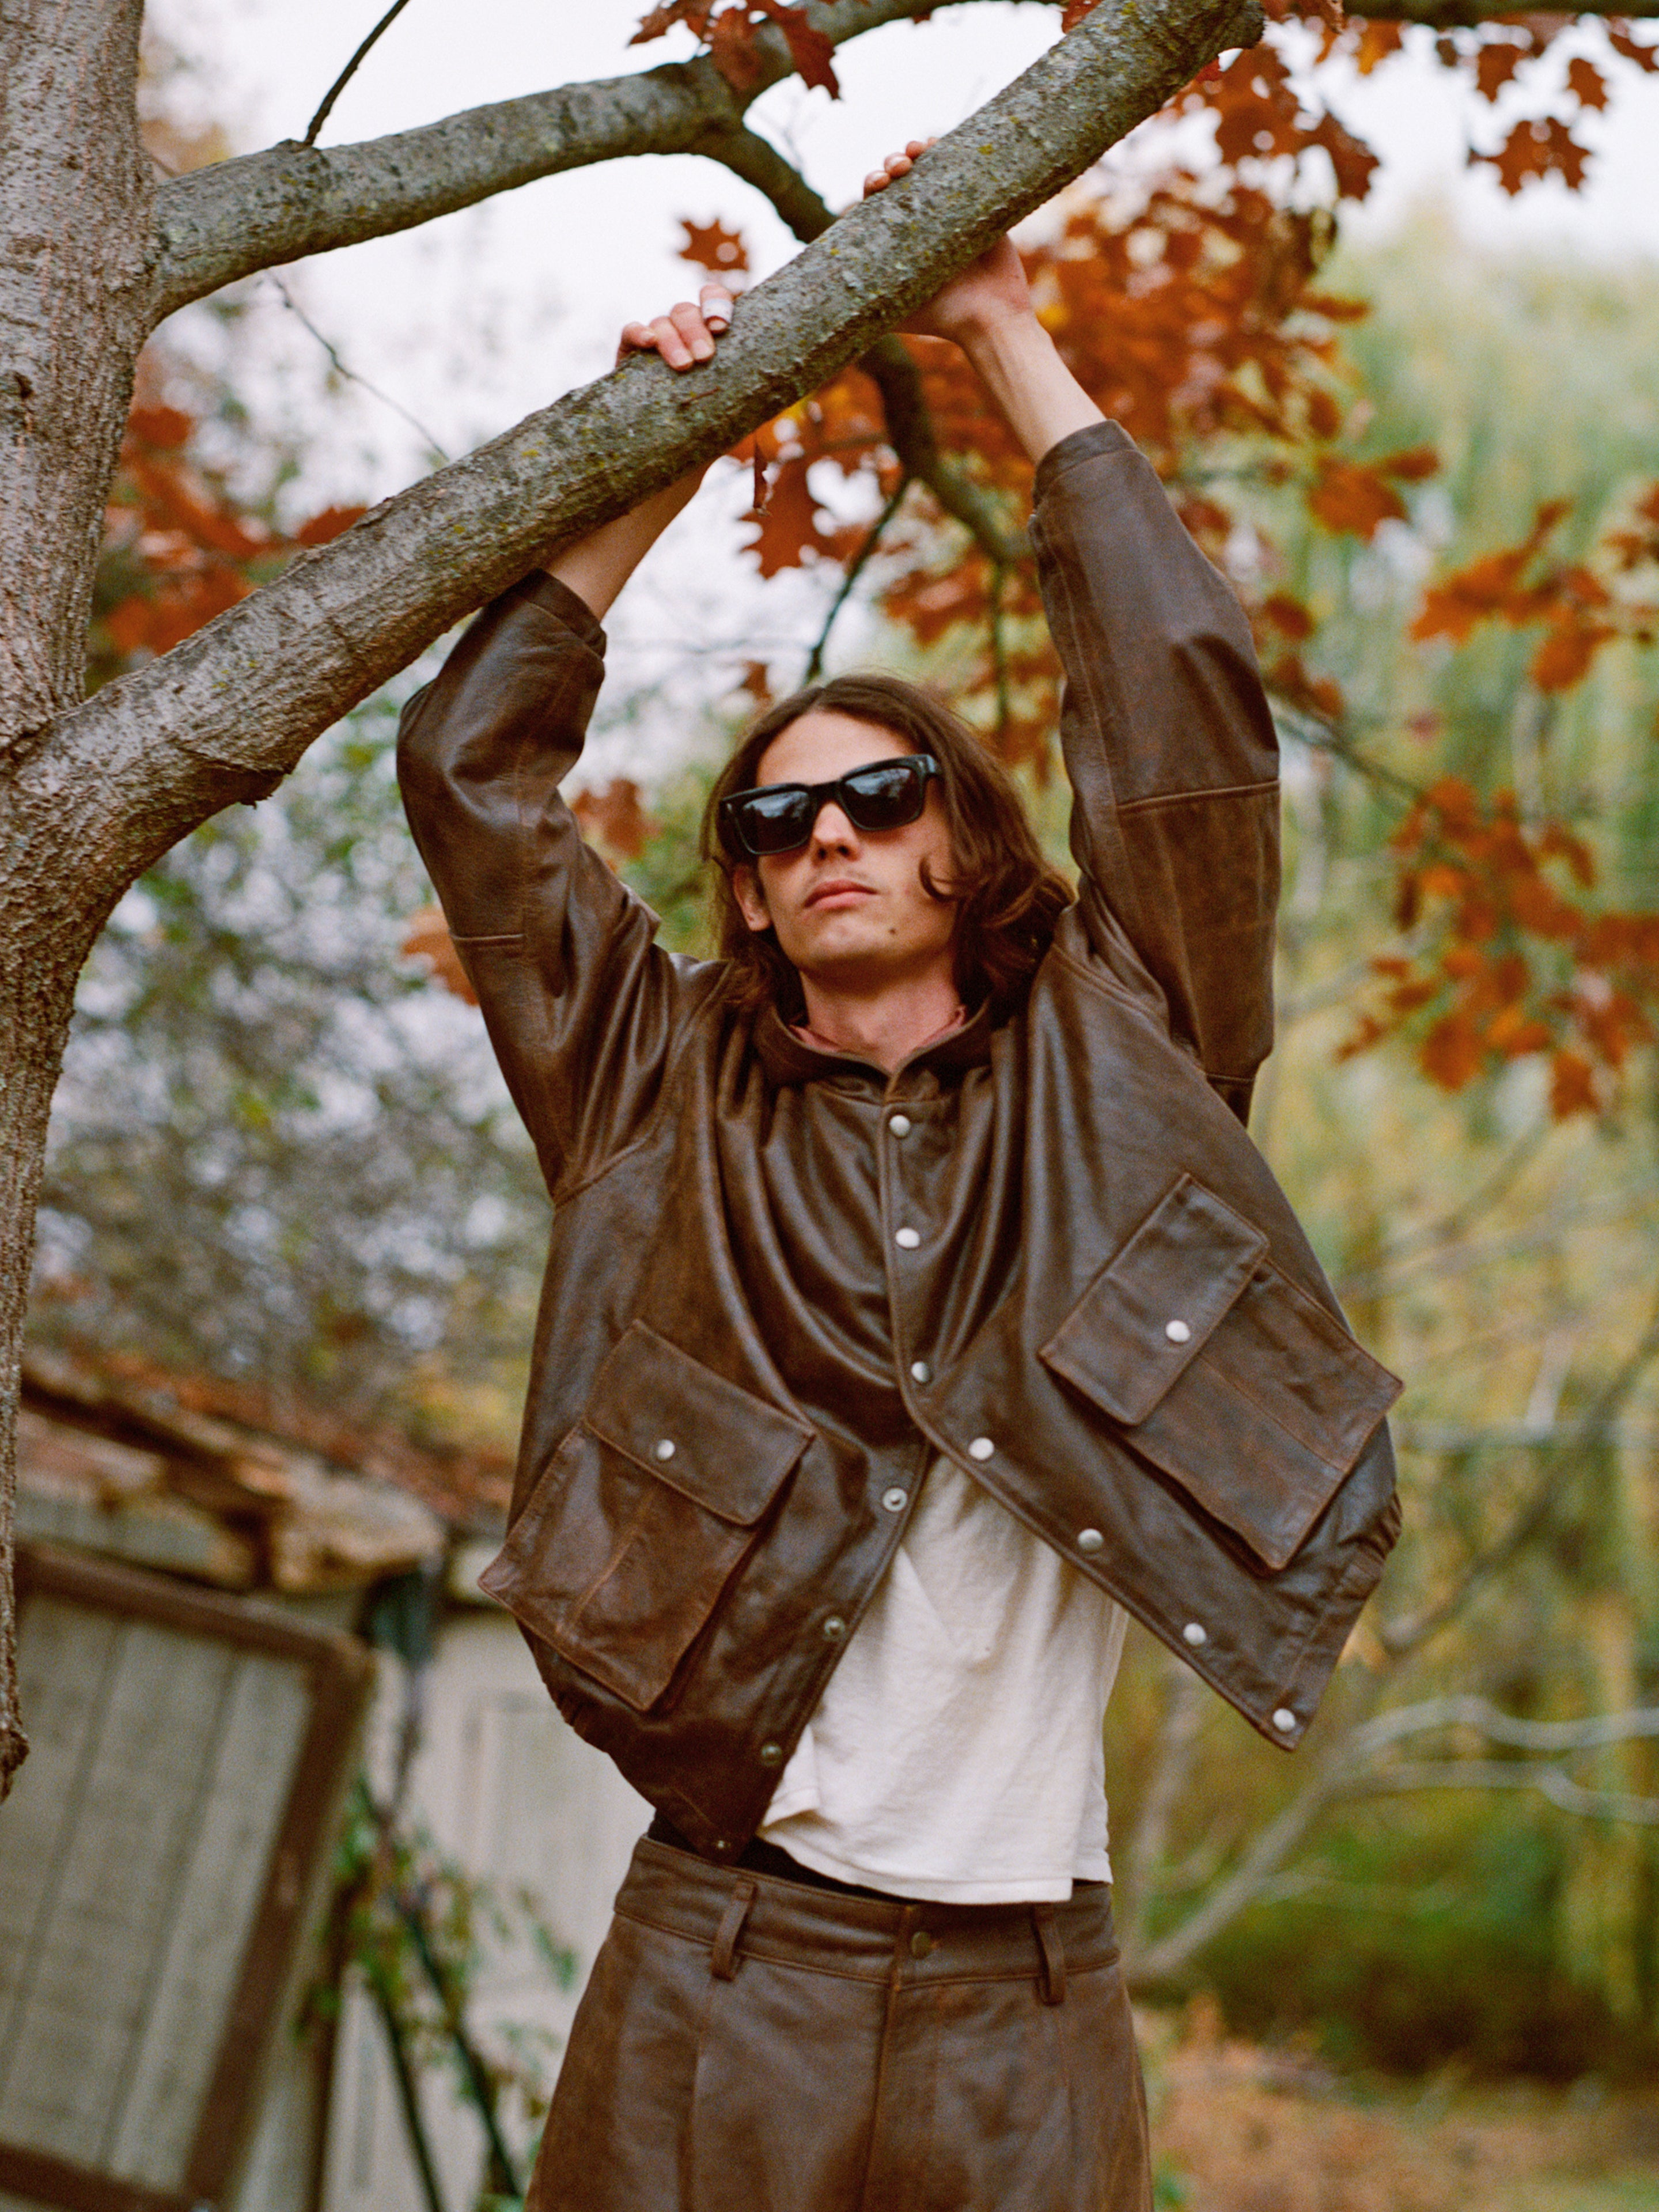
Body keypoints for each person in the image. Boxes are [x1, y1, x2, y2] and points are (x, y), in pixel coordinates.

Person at [398, 142, 1403, 2212]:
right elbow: (471, 782)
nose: (825, 837)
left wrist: (1005, 324)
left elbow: (1188, 721)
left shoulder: (1135, 1061)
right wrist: (663, 448)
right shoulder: (649, 1085)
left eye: (880, 793)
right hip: (723, 1948)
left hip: (1033, 1996)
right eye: (775, 825)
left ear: (966, 838)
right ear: (748, 899)